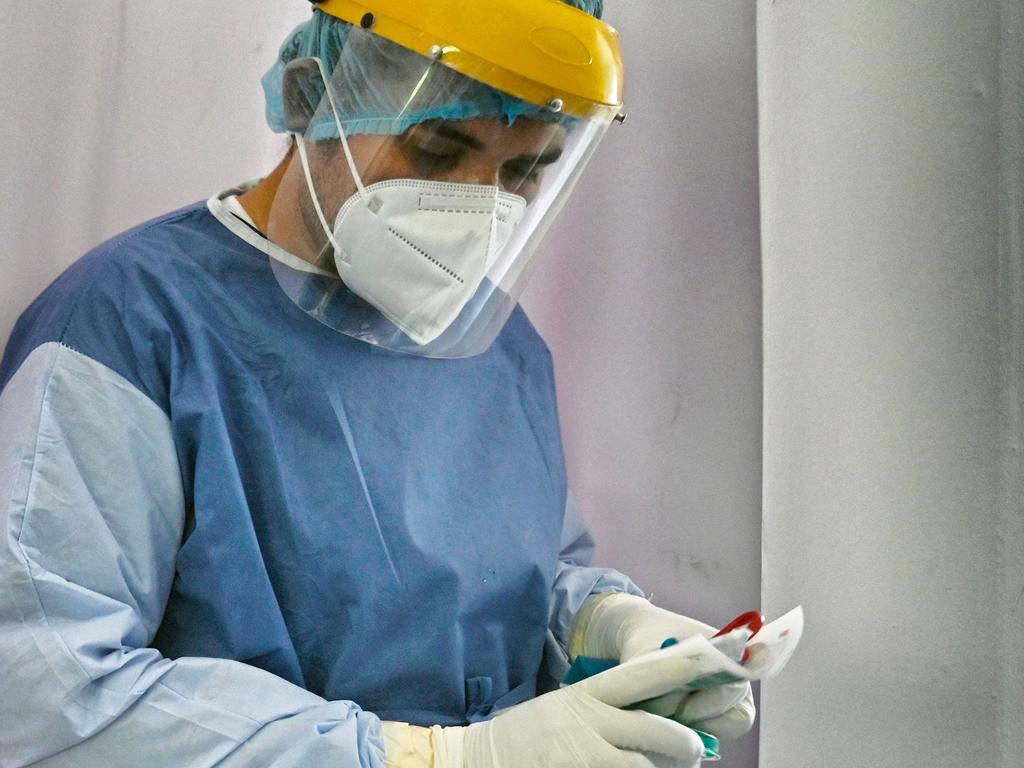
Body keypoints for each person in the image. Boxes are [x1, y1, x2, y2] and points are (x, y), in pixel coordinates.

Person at [0, 1, 755, 765]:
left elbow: (508, 572)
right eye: (435, 148)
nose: (476, 203)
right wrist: (423, 757)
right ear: (311, 97)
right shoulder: (130, 322)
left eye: (523, 169)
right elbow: (45, 693)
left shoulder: (496, 341)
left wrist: (605, 622)